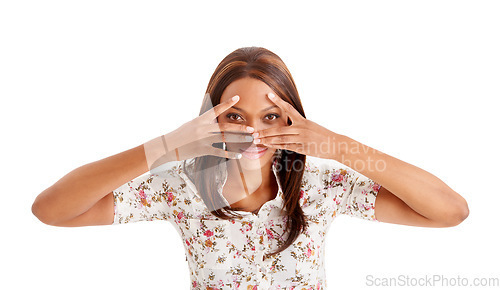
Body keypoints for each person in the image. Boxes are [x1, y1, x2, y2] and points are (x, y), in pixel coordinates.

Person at [31, 46, 469, 290]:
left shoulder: (321, 186)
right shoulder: (181, 189)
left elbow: (450, 211)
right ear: (211, 118)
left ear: (293, 119)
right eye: (236, 116)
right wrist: (166, 147)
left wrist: (338, 146)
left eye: (271, 117)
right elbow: (51, 210)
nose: (254, 134)